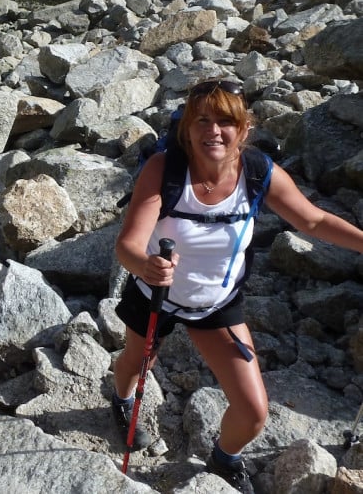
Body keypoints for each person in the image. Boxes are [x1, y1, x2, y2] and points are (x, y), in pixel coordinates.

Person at [113, 78, 363, 493]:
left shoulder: (258, 173)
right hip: (154, 294)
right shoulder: (165, 170)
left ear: (245, 128)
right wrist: (146, 265)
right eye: (202, 121)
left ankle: (224, 455)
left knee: (252, 413)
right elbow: (128, 245)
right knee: (138, 362)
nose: (214, 130)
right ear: (187, 130)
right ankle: (122, 401)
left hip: (217, 304)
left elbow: (312, 220)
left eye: (226, 121)